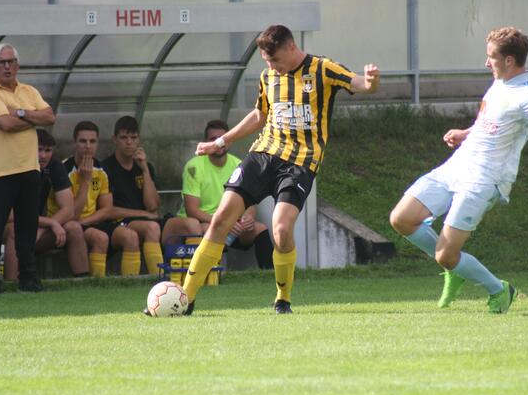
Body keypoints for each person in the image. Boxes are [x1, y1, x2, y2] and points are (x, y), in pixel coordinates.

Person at [145, 24, 379, 316]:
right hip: (263, 155)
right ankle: (186, 299)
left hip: (300, 162)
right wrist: (220, 141)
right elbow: (259, 114)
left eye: (274, 60)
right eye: (266, 62)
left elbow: (357, 83)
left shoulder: (322, 68)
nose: (271, 67)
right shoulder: (268, 77)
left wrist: (369, 82)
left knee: (281, 230)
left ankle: (283, 298)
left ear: (291, 48)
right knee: (220, 220)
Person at [390, 27, 528, 313]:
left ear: (509, 60)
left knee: (446, 254)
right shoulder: (500, 82)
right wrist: (465, 133)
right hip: (458, 166)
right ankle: (455, 266)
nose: (486, 63)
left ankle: (499, 290)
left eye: (491, 57)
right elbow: (492, 123)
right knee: (401, 218)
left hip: (484, 180)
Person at [0, 43, 56, 294]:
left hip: (29, 170)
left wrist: (19, 111)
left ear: (17, 65)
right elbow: (5, 124)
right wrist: (31, 118)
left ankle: (28, 279)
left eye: (11, 61)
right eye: (1, 62)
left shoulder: (29, 91)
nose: (7, 66)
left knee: (27, 228)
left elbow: (49, 117)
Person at [103, 115, 198, 275]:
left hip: (149, 220)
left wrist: (145, 169)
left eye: (133, 138)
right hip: (120, 224)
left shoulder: (145, 167)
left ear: (138, 139)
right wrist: (145, 214)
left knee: (191, 224)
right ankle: (158, 278)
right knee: (152, 227)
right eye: (124, 137)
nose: (129, 142)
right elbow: (109, 210)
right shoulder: (106, 168)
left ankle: (195, 275)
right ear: (115, 139)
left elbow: (153, 205)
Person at [176, 119, 274, 270]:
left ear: (229, 141)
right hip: (204, 222)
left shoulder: (239, 165)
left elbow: (250, 203)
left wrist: (248, 217)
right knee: (204, 229)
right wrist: (224, 222)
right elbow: (192, 210)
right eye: (212, 139)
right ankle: (210, 274)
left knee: (259, 228)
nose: (218, 143)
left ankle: (270, 276)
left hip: (232, 224)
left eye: (221, 139)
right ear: (206, 142)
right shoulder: (194, 166)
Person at [3, 129, 89, 280]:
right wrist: (49, 223)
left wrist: (43, 228)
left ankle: (83, 283)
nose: (43, 156)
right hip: (4, 229)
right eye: (39, 150)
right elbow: (9, 215)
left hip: (35, 229)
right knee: (15, 230)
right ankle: (11, 285)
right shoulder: (13, 166)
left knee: (74, 227)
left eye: (48, 150)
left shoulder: (54, 165)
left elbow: (69, 210)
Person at [62, 120, 141, 277]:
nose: (88, 146)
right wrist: (85, 180)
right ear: (74, 143)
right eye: (83, 141)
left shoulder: (101, 169)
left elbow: (107, 209)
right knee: (100, 237)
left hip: (89, 222)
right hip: (69, 225)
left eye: (92, 141)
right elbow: (72, 215)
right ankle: (98, 284)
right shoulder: (63, 169)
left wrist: (87, 221)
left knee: (130, 236)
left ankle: (133, 285)